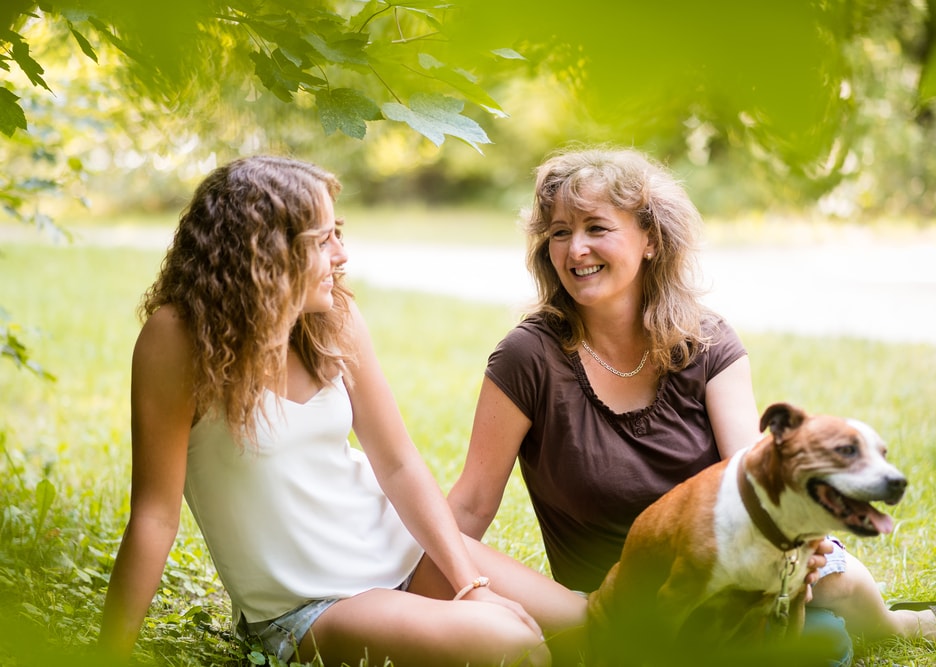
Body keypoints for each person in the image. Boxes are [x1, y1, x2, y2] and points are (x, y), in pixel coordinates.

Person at [447, 147, 936, 658]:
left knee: (827, 623)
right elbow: (470, 505)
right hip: (616, 599)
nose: (575, 250)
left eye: (597, 228)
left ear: (650, 239)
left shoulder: (706, 343)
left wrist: (795, 548)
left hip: (731, 575)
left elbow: (755, 474)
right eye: (559, 233)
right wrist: (412, 592)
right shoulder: (528, 357)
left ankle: (891, 623)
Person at [97, 155, 587, 667]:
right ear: (268, 251)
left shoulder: (333, 318)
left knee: (587, 624)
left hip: (400, 550)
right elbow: (155, 516)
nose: (341, 254)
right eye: (323, 239)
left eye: (340, 233)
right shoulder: (176, 341)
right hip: (311, 606)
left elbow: (397, 463)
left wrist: (469, 585)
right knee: (513, 644)